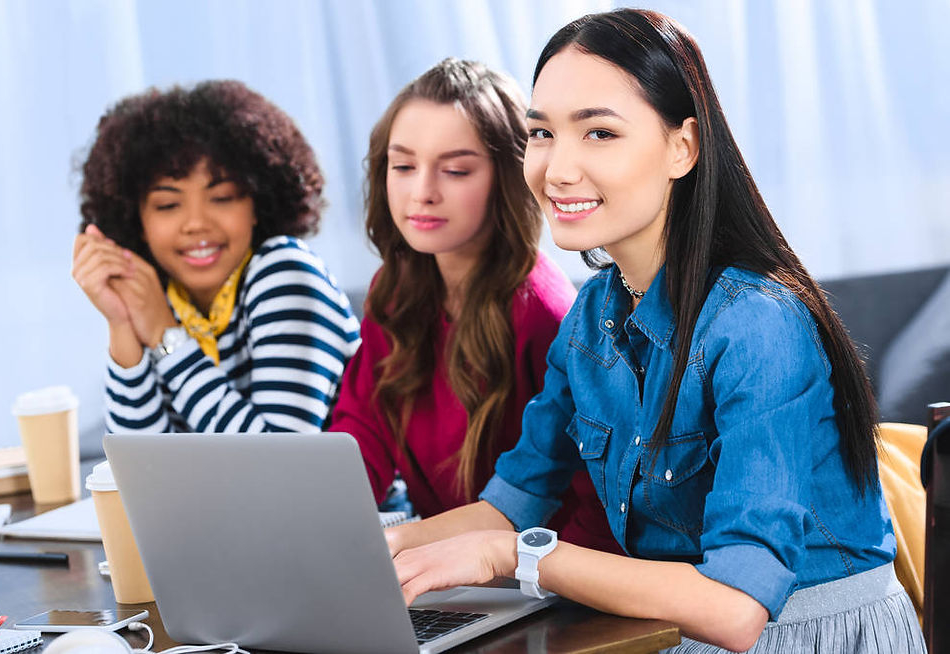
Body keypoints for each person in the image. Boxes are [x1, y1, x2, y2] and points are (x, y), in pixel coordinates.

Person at [386, 10, 924, 653]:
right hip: (675, 636)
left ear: (683, 148)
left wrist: (517, 556)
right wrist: (372, 548)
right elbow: (512, 504)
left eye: (600, 134)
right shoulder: (591, 319)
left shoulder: (758, 322)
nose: (556, 169)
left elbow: (736, 608)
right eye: (542, 133)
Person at [328, 58, 619, 551]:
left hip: (539, 582)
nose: (422, 193)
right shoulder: (395, 293)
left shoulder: (545, 314)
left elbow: (582, 509)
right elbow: (359, 439)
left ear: (509, 176)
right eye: (402, 166)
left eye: (456, 170)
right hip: (445, 569)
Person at [72, 81, 360, 435]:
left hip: (347, 494)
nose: (196, 223)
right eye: (168, 205)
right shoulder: (161, 299)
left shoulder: (285, 274)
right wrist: (121, 325)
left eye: (222, 197)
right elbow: (146, 468)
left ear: (257, 204)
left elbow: (277, 465)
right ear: (138, 221)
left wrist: (166, 336)